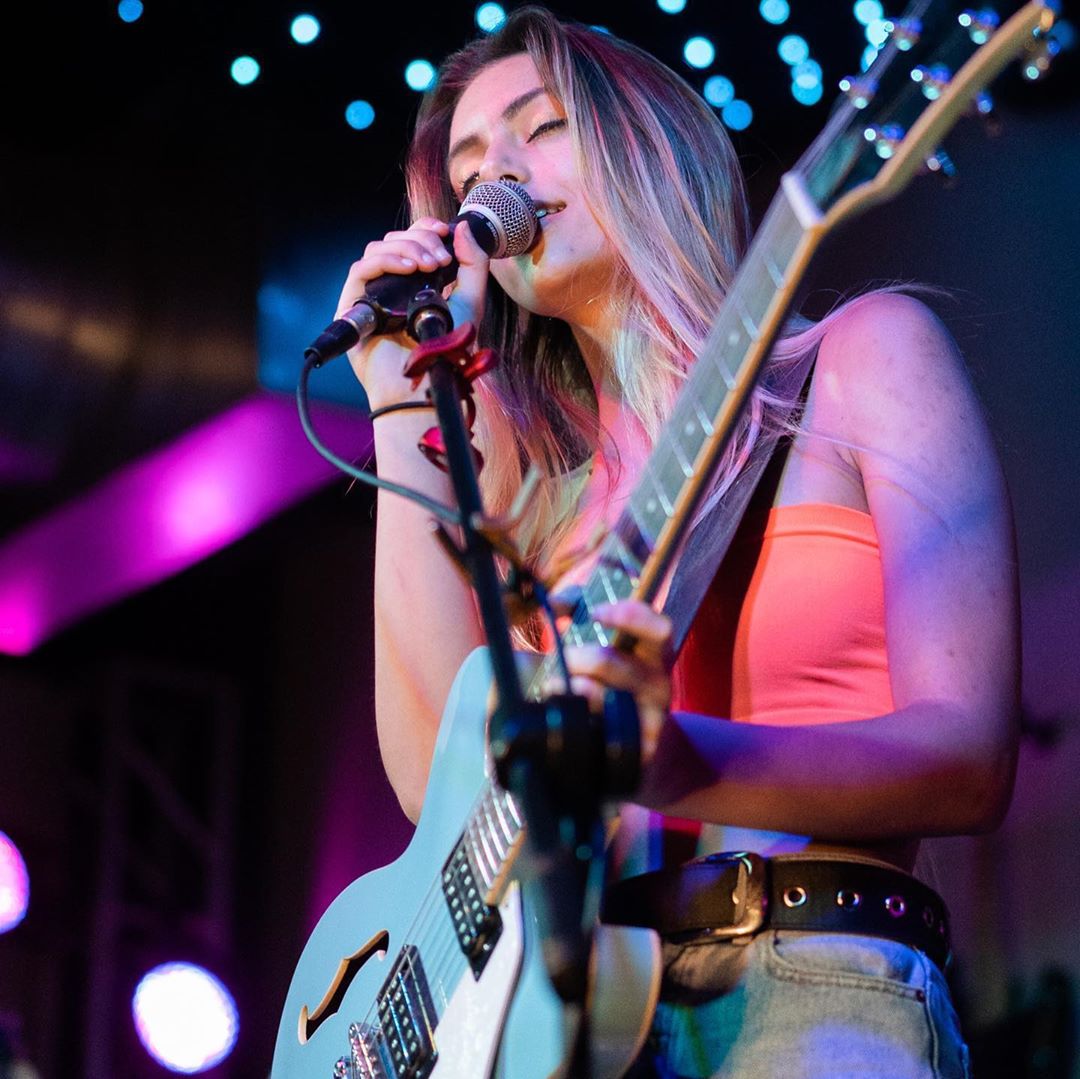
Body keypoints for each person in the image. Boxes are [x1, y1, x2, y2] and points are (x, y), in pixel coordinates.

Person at [337, 7, 1019, 1076]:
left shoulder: (857, 360)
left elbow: (971, 762)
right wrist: (393, 406)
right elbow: (440, 790)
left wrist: (677, 763)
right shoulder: (547, 515)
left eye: (542, 125)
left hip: (811, 982)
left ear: (650, 145)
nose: (492, 177)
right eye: (466, 163)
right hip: (583, 1021)